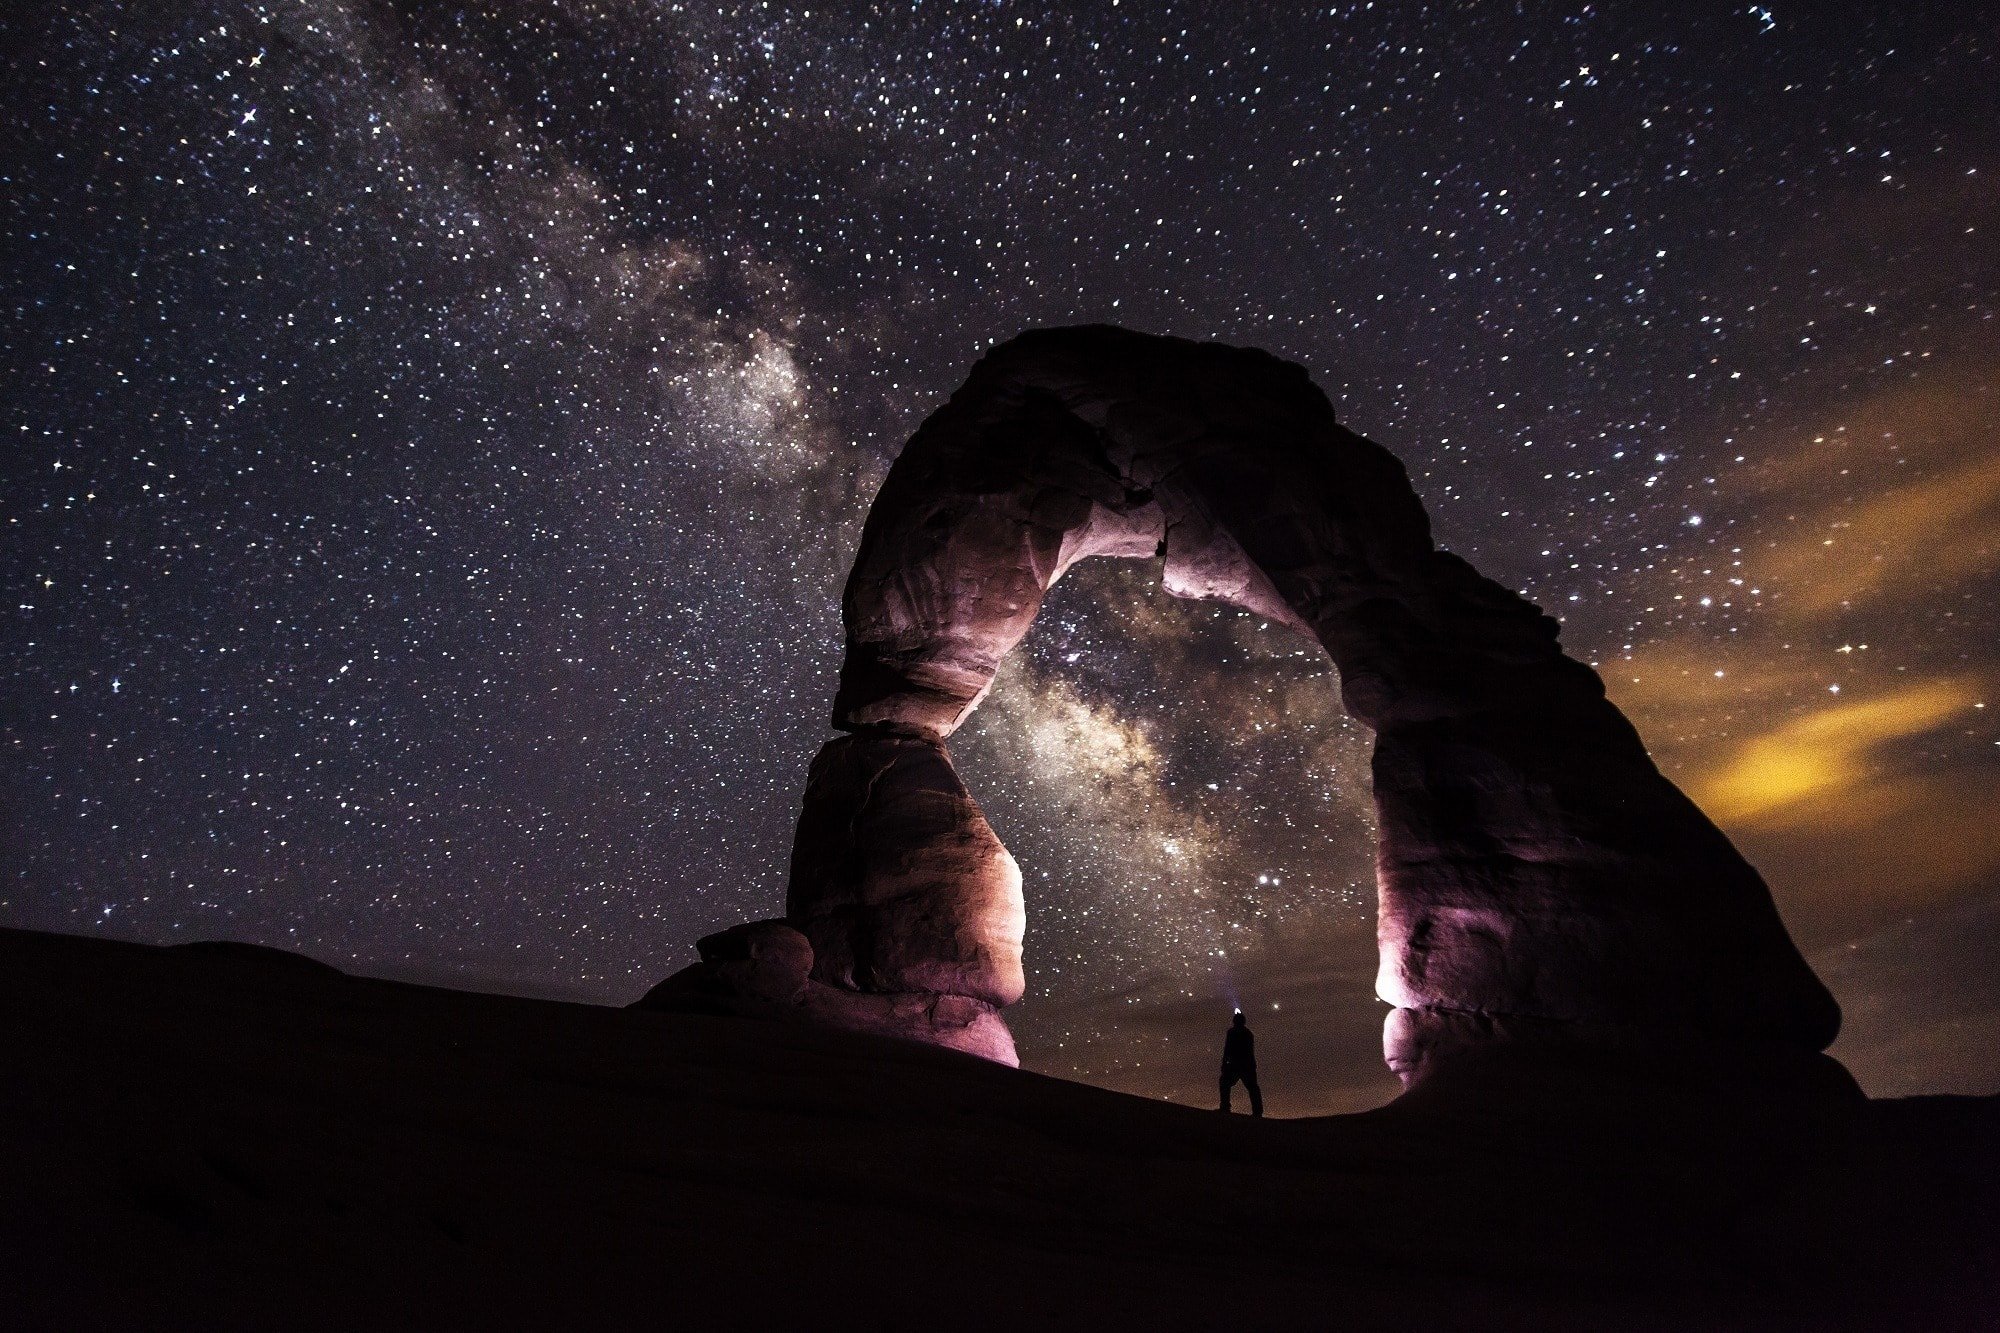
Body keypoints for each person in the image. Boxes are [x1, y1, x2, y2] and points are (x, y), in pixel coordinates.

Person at [1218, 1010, 1263, 1116]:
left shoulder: (1233, 1033)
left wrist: (1225, 1063)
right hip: (1245, 1065)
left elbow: (1227, 1049)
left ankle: (1225, 1107)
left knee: (1225, 1083)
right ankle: (1257, 1111)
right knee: (1252, 1088)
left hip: (1237, 1065)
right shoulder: (1247, 1033)